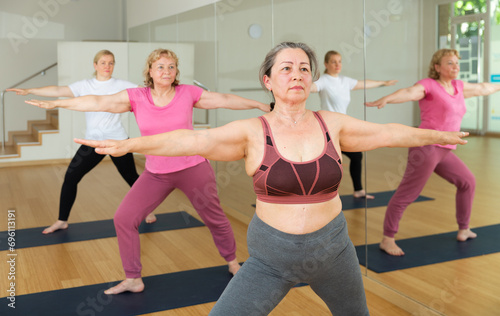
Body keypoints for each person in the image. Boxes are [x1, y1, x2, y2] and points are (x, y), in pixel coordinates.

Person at [72, 42, 468, 315]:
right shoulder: (251, 130)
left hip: (334, 253)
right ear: (268, 80)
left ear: (312, 81)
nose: (296, 74)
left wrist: (437, 135)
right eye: (286, 68)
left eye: (304, 69)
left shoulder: (332, 123)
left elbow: (389, 134)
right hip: (270, 260)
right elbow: (193, 139)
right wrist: (131, 143)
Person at [25, 48, 269, 295]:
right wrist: (57, 104)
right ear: (150, 71)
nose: (166, 71)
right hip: (156, 173)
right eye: (160, 66)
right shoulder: (137, 97)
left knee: (214, 217)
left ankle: (232, 262)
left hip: (192, 168)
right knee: (123, 218)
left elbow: (224, 100)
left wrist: (260, 104)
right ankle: (133, 278)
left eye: (171, 66)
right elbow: (98, 101)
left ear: (176, 72)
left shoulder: (187, 93)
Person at [366, 48, 500, 256]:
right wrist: (387, 99)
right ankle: (387, 238)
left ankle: (464, 228)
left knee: (467, 182)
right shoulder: (429, 85)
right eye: (450, 63)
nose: (455, 66)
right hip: (426, 148)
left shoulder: (458, 87)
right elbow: (409, 92)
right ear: (437, 67)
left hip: (445, 149)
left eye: (457, 63)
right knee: (408, 193)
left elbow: (484, 87)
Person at [7, 49, 158, 234]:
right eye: (103, 63)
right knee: (71, 177)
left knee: (132, 178)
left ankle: (148, 210)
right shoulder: (85, 85)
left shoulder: (123, 85)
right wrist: (30, 90)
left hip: (117, 141)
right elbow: (58, 90)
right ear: (95, 65)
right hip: (92, 143)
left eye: (111, 63)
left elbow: (149, 94)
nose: (107, 66)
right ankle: (62, 220)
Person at [311, 50, 397, 199]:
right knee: (327, 162)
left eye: (339, 61)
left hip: (343, 129)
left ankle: (358, 190)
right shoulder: (323, 81)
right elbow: (310, 87)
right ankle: (315, 194)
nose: (337, 64)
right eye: (333, 61)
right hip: (328, 130)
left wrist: (383, 83)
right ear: (326, 64)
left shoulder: (345, 81)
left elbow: (364, 83)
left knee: (356, 156)